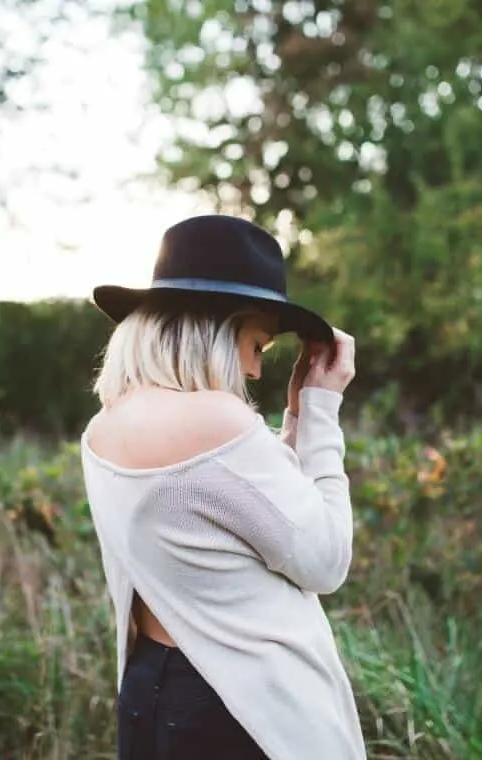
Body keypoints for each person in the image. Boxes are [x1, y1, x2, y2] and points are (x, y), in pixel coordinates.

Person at [80, 214, 366, 760]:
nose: (256, 371)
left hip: (149, 689)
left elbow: (242, 507)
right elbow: (325, 560)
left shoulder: (104, 427)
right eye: (257, 344)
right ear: (214, 331)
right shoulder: (217, 420)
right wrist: (322, 409)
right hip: (236, 704)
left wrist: (294, 418)